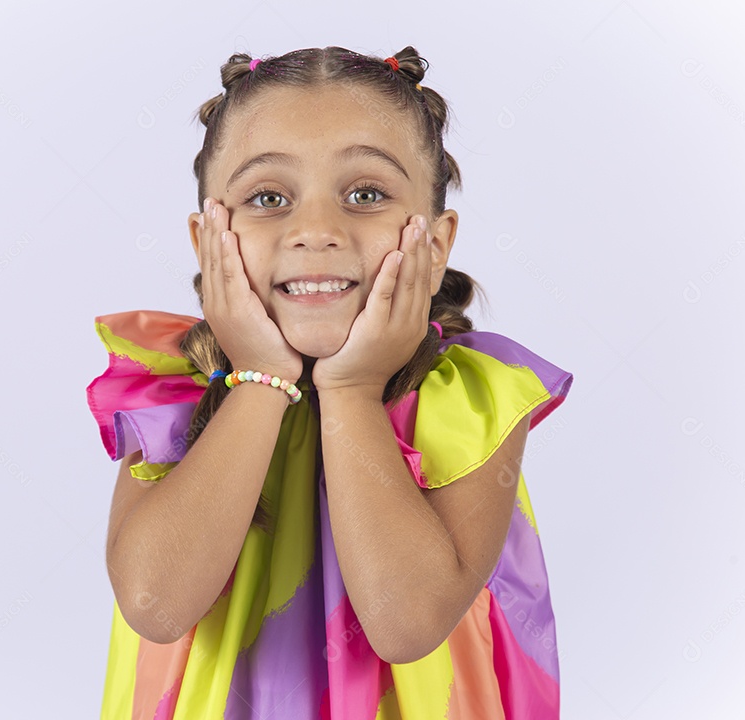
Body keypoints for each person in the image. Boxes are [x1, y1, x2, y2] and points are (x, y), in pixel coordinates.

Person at [86, 45, 574, 719]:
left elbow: (405, 623)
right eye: (268, 198)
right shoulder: (174, 387)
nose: (316, 230)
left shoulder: (473, 399)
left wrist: (350, 390)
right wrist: (263, 379)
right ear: (206, 242)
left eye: (366, 194)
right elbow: (155, 604)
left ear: (434, 246)